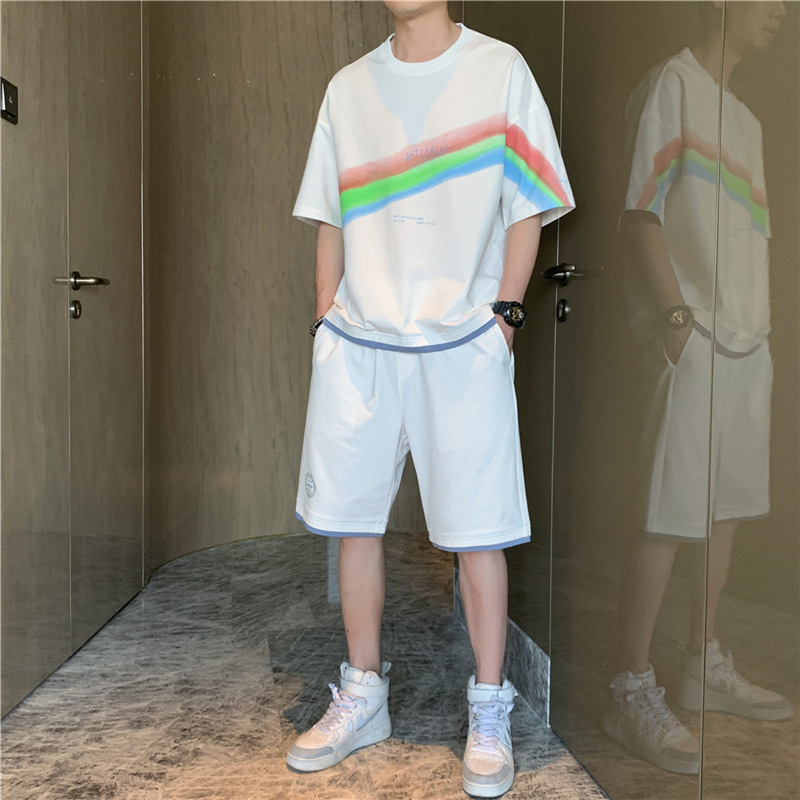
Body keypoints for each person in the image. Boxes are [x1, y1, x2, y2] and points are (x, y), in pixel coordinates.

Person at [286, 2, 573, 796]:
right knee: (354, 524)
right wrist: (325, 318)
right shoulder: (348, 89)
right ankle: (364, 694)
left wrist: (505, 315)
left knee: (478, 532)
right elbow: (331, 215)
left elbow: (528, 202)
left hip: (462, 341)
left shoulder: (499, 71)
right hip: (361, 342)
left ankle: (489, 707)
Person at [604, 0, 792, 776]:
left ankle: (701, 663)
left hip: (750, 342)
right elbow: (640, 212)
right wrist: (677, 318)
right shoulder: (671, 85)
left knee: (727, 508)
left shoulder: (747, 119)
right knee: (668, 512)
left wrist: (759, 331)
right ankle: (629, 684)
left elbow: (751, 239)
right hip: (694, 337)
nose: (780, 11)